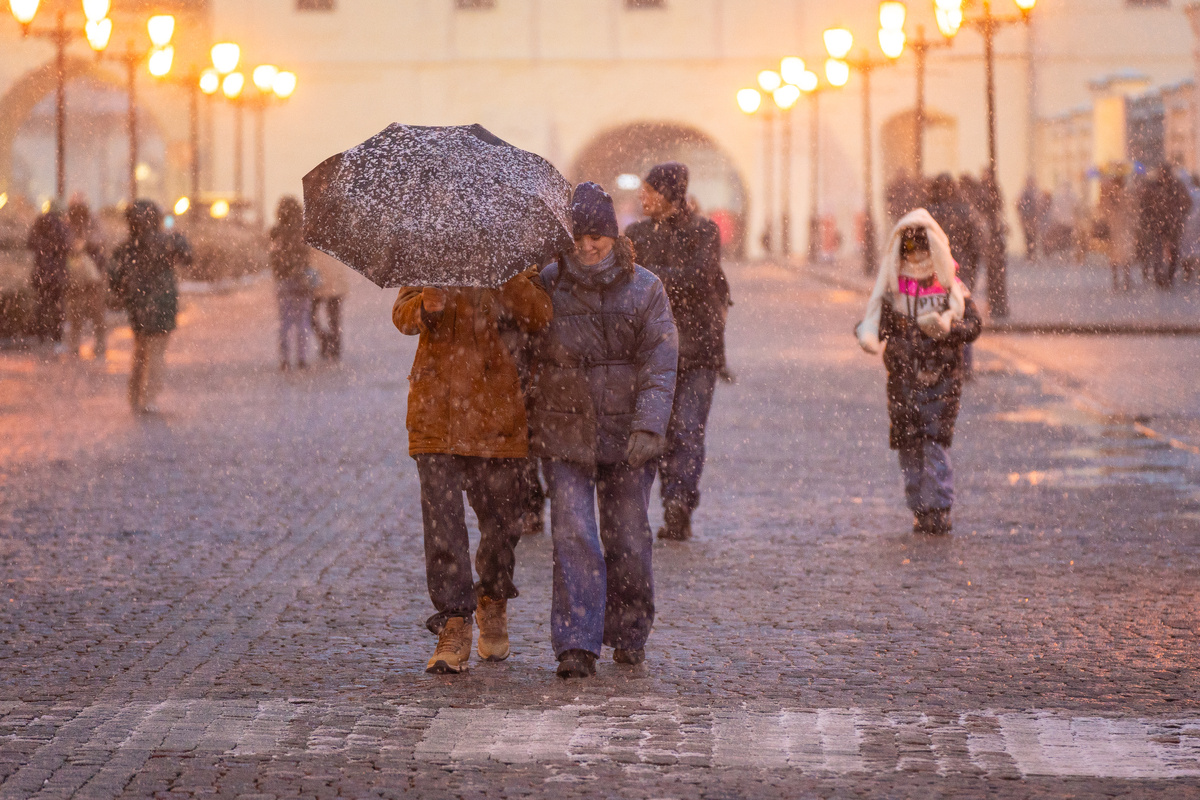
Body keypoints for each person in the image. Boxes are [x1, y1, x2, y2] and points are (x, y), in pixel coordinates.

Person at [531, 182, 678, 678]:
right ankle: (577, 641)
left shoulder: (645, 288)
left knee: (629, 540)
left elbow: (660, 363)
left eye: (596, 235)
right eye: (578, 237)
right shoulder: (548, 284)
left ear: (614, 236)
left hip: (628, 438)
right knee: (573, 535)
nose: (588, 246)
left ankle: (629, 629)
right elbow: (526, 351)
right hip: (566, 435)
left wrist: (649, 426)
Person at [393, 267, 552, 675]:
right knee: (443, 525)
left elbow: (540, 314)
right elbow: (402, 314)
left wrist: (508, 280)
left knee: (503, 523)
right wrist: (426, 307)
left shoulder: (514, 252)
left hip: (496, 415)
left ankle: (493, 596)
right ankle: (454, 622)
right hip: (436, 413)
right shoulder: (430, 251)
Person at [856, 209, 982, 535]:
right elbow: (878, 325)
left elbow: (972, 324)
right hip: (901, 378)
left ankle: (938, 508)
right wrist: (865, 331)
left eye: (921, 249)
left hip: (940, 375)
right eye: (910, 250)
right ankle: (919, 507)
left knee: (932, 442)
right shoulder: (893, 288)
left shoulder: (950, 285)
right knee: (908, 445)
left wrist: (947, 331)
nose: (916, 256)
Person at [626, 162, 729, 541]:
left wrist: (652, 278)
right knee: (657, 428)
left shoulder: (703, 231)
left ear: (669, 194)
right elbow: (631, 281)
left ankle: (678, 502)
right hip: (650, 350)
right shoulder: (635, 233)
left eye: (650, 190)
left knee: (687, 429)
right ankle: (667, 498)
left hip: (698, 349)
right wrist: (667, 280)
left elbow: (700, 278)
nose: (643, 197)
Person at [111, 201, 192, 414]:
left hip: (137, 305)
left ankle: (135, 395)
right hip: (162, 305)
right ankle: (149, 397)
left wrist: (124, 293)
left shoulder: (127, 247)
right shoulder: (166, 242)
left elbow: (114, 275)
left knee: (140, 350)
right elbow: (188, 257)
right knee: (156, 353)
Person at [270, 197, 316, 370]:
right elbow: (307, 256)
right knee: (303, 320)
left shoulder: (276, 233)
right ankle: (302, 358)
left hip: (284, 281)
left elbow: (274, 258)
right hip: (302, 281)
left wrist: (283, 269)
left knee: (285, 322)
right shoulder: (303, 232)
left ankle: (285, 359)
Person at [65, 201, 108, 359]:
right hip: (78, 278)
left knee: (96, 314)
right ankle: (77, 345)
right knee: (77, 314)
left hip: (92, 278)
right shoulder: (70, 226)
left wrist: (86, 242)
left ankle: (98, 345)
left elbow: (100, 241)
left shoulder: (92, 225)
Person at [26, 203, 71, 349]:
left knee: (41, 305)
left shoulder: (39, 224)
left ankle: (41, 336)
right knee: (58, 307)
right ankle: (57, 339)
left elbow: (29, 243)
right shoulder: (61, 226)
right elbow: (67, 246)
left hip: (40, 273)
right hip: (56, 274)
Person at [1101, 174, 1139, 292]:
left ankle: (1116, 280)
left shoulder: (1110, 195)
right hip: (1125, 229)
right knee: (1126, 257)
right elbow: (1134, 211)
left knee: (1114, 257)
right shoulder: (1128, 194)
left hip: (1113, 228)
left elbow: (1103, 210)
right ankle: (1126, 280)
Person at [310, 248, 348, 361]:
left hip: (325, 282)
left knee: (331, 319)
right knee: (316, 318)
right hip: (322, 282)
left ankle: (331, 344)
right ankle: (331, 343)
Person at [1017, 177, 1041, 260]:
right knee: (1030, 236)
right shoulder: (1032, 192)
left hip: (1027, 217)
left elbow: (1017, 204)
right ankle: (1031, 253)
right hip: (1029, 217)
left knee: (1029, 235)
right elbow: (1038, 204)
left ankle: (1030, 253)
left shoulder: (1024, 191)